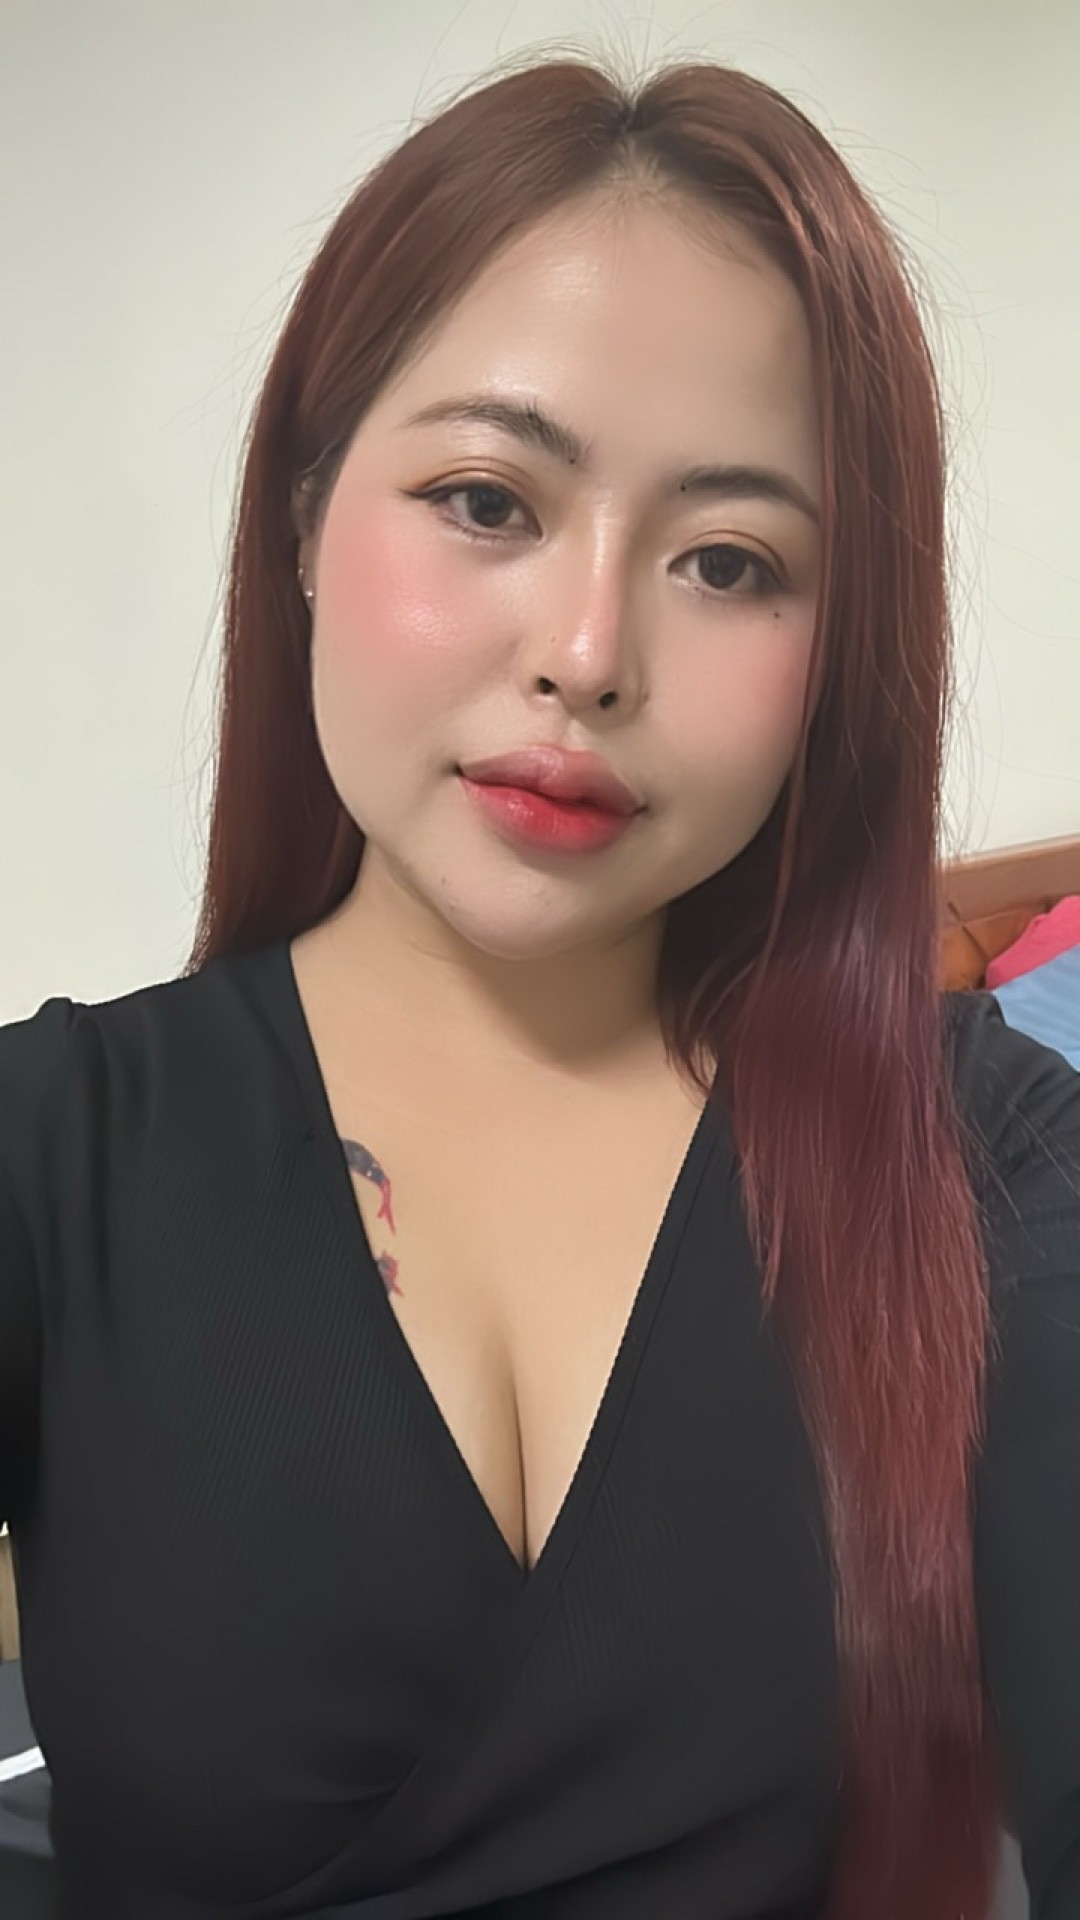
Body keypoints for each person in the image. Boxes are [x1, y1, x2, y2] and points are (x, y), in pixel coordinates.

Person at [1, 46, 1078, 1920]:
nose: (588, 654)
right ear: (302, 521)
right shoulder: (50, 1158)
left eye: (729, 560)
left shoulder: (992, 1154)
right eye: (489, 501)